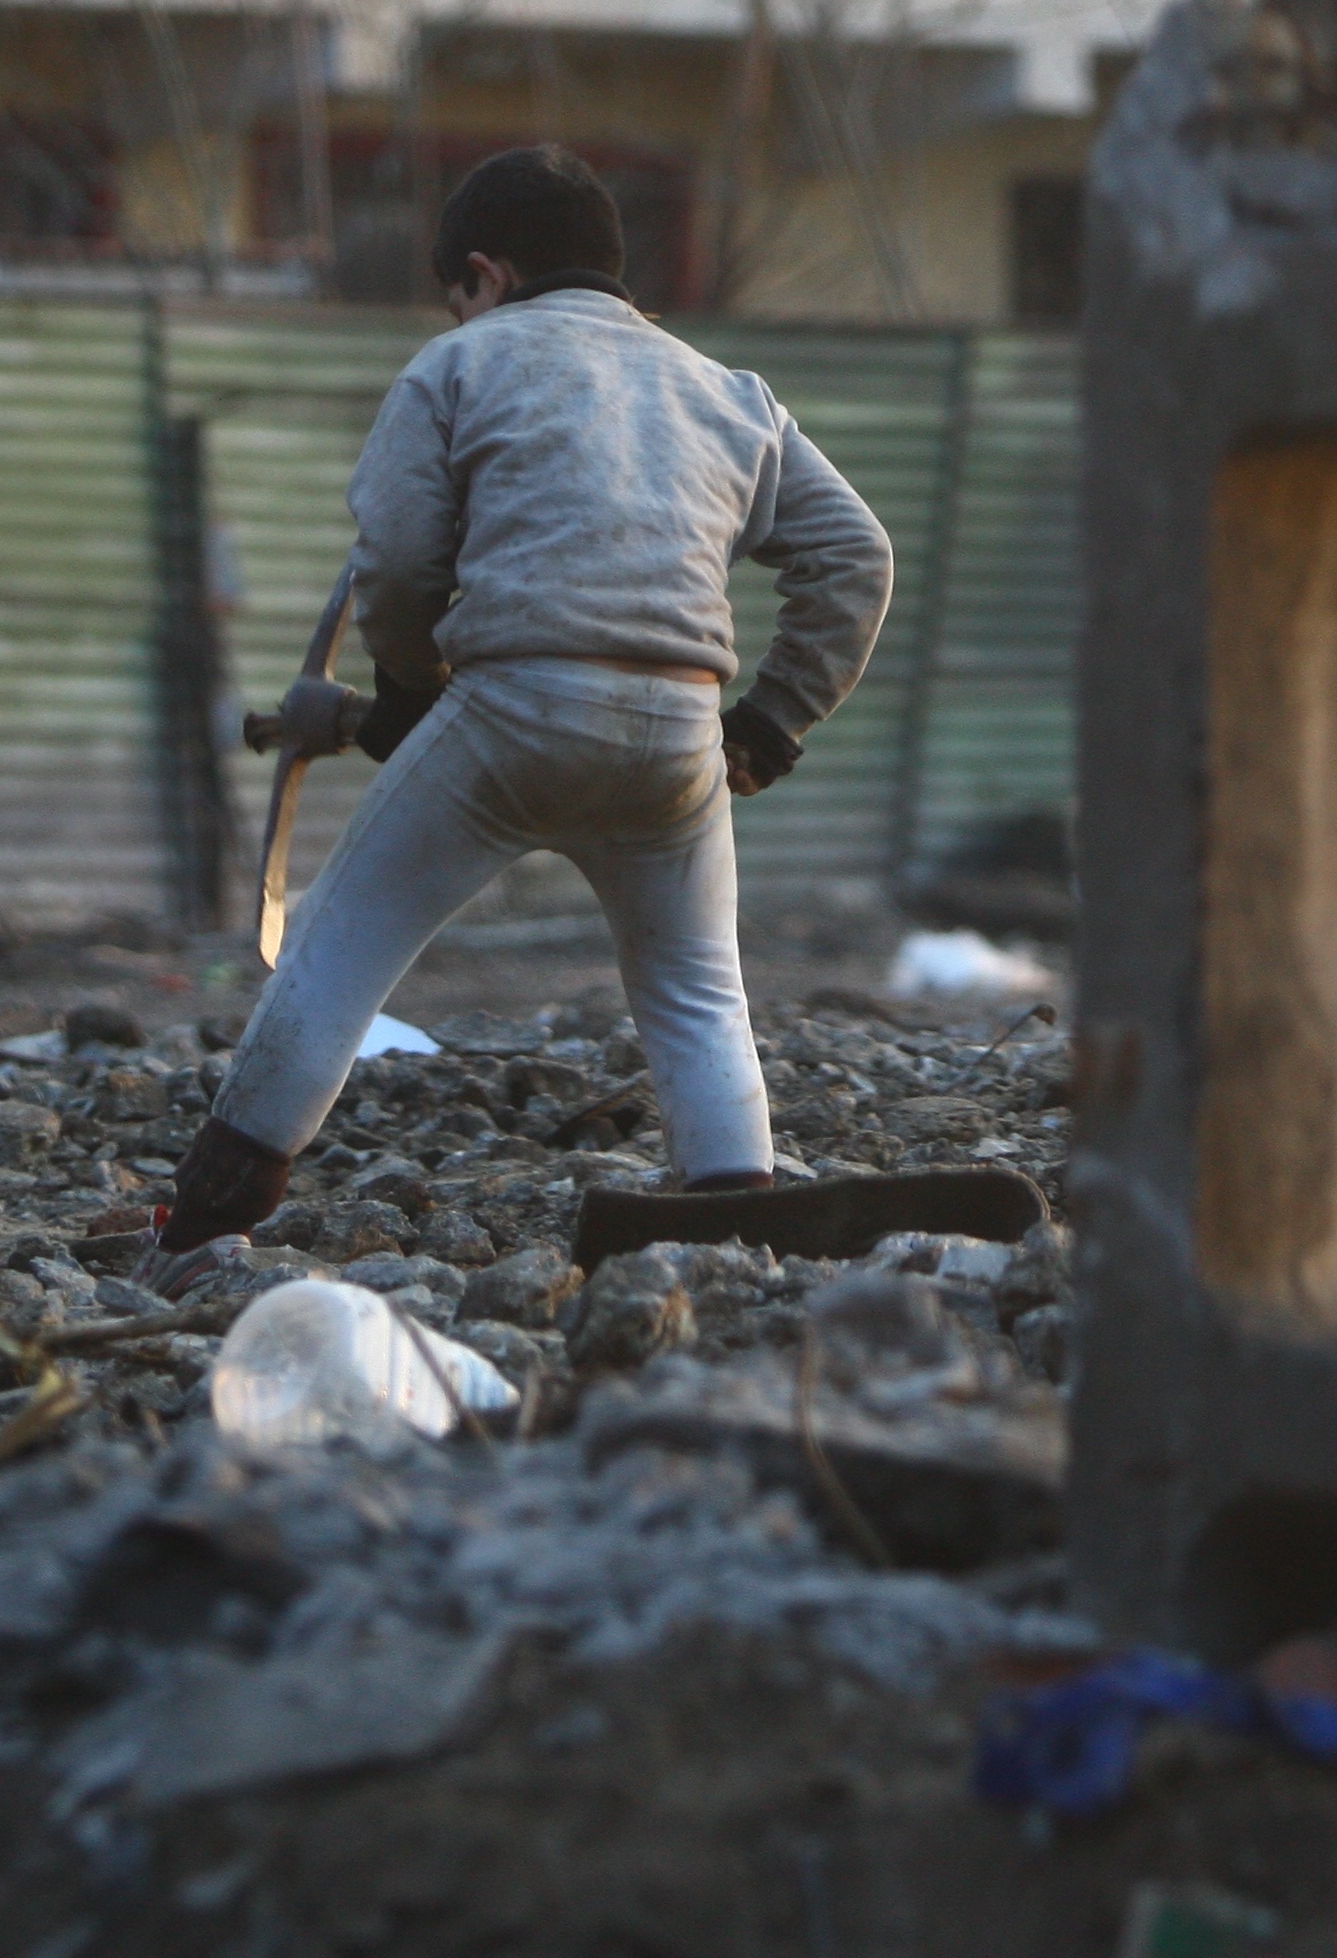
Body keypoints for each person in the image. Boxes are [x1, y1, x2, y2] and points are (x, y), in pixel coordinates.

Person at [141, 144, 895, 1293]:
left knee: (337, 955)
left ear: (483, 274)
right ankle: (741, 1225)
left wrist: (397, 697)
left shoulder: (459, 364)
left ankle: (199, 1225)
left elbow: (395, 563)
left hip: (512, 710)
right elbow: (855, 554)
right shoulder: (727, 392)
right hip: (683, 730)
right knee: (697, 988)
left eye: (459, 291)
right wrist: (769, 725)